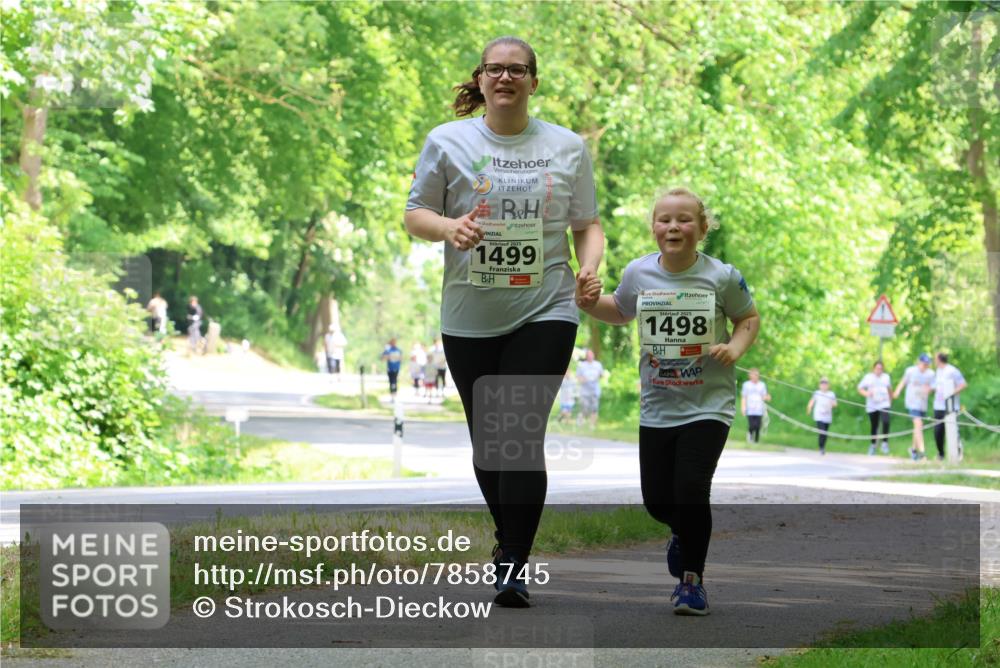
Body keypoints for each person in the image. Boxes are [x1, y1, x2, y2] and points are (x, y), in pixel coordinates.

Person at [404, 36, 604, 608]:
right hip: (469, 314)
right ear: (481, 78)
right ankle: (507, 537)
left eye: (517, 70)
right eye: (495, 69)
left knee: (518, 433)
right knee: (489, 444)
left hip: (547, 306)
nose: (505, 78)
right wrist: (449, 228)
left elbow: (587, 224)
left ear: (533, 82)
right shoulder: (447, 141)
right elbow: (415, 214)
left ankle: (513, 560)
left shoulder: (566, 146)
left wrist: (589, 269)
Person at [577, 186, 760, 616]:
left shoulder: (722, 277)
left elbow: (747, 318)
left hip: (708, 405)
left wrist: (734, 348)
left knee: (692, 490)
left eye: (684, 219)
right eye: (665, 219)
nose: (673, 226)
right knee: (658, 500)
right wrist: (587, 303)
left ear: (702, 228)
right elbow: (619, 310)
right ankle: (682, 531)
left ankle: (692, 582)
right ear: (654, 228)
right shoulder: (639, 273)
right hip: (658, 407)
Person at [893, 353, 934, 460]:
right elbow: (903, 382)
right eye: (924, 364)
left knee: (918, 427)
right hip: (912, 402)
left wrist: (929, 389)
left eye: (927, 364)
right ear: (919, 362)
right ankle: (922, 453)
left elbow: (933, 386)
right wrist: (897, 392)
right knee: (918, 424)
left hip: (922, 403)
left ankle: (913, 450)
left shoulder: (930, 374)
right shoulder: (910, 371)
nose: (925, 366)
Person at [931, 352, 968, 461]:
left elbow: (963, 384)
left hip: (951, 407)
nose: (934, 361)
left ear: (939, 359)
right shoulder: (938, 371)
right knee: (938, 431)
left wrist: (950, 393)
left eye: (935, 359)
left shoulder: (952, 371)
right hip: (938, 406)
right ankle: (941, 454)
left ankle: (957, 454)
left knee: (953, 430)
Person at [858, 360, 892, 455]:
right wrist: (867, 393)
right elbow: (860, 388)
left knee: (886, 421)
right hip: (872, 404)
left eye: (881, 369)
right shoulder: (868, 377)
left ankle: (885, 443)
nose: (879, 370)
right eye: (877, 368)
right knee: (874, 425)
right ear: (873, 368)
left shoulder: (886, 377)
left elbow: (889, 389)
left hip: (884, 403)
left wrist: (890, 400)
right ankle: (873, 445)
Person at [806, 378, 837, 455]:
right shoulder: (817, 393)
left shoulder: (831, 394)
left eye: (825, 384)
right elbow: (812, 401)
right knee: (822, 431)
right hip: (818, 416)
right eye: (822, 384)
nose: (824, 386)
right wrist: (809, 408)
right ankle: (821, 447)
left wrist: (831, 403)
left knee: (825, 432)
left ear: (828, 385)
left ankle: (823, 446)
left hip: (827, 416)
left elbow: (835, 404)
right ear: (819, 385)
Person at [575, 349, 604, 428]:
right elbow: (577, 376)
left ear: (593, 356)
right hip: (585, 391)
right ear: (586, 356)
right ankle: (580, 421)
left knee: (594, 408)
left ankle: (592, 425)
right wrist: (582, 379)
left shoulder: (598, 364)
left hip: (595, 390)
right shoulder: (582, 365)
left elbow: (601, 375)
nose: (590, 356)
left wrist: (600, 376)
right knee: (585, 408)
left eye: (591, 355)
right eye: (588, 355)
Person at [740, 368, 770, 443]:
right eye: (753, 375)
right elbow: (744, 397)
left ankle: (756, 441)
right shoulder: (746, 385)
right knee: (752, 425)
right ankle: (750, 437)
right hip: (750, 409)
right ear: (750, 375)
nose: (755, 376)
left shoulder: (762, 385)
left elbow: (764, 396)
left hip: (759, 409)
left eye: (756, 375)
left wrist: (767, 397)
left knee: (758, 426)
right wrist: (743, 407)